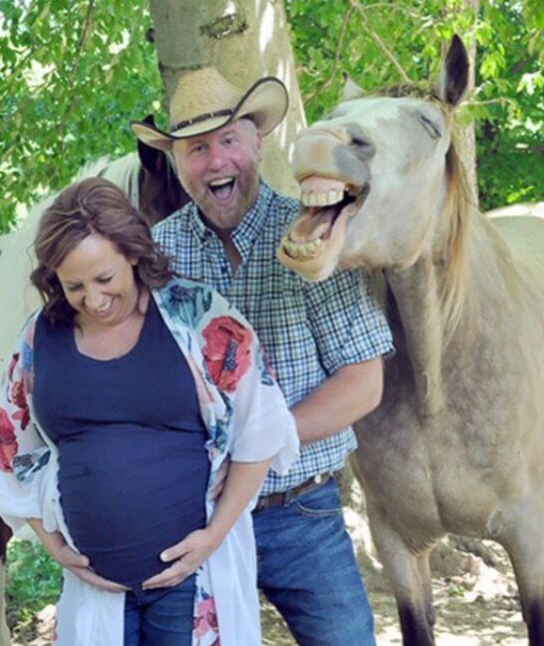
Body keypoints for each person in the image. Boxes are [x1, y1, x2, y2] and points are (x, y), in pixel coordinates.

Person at [131, 68, 394, 645]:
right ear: (176, 161)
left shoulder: (313, 235)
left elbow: (363, 381)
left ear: (258, 141)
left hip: (299, 510)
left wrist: (253, 448)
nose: (217, 160)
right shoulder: (154, 256)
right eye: (197, 148)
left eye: (230, 140)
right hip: (190, 513)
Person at [0, 178, 299, 645]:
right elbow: (14, 447)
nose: (92, 299)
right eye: (73, 286)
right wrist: (53, 544)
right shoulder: (40, 338)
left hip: (190, 578)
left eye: (104, 279)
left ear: (133, 253)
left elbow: (262, 428)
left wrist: (213, 536)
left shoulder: (198, 316)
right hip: (96, 587)